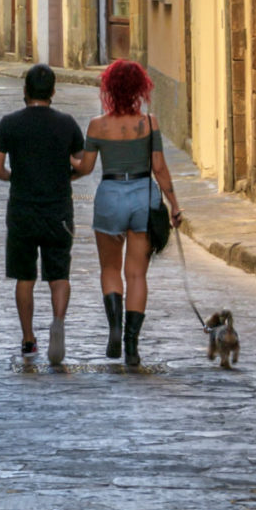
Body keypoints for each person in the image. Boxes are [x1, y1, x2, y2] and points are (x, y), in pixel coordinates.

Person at [72, 59, 182, 368]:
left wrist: (69, 159)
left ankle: (115, 328)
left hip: (109, 196)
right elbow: (159, 167)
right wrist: (174, 205)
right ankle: (132, 346)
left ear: (108, 90)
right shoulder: (149, 123)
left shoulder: (97, 125)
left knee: (110, 269)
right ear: (139, 89)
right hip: (142, 198)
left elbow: (86, 168)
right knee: (136, 274)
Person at [0, 63, 87, 362]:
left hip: (22, 210)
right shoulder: (67, 123)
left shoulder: (9, 123)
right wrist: (65, 176)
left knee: (25, 276)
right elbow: (81, 165)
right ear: (53, 92)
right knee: (59, 274)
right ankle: (57, 325)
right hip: (58, 210)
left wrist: (16, 177)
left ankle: (28, 339)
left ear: (25, 91)